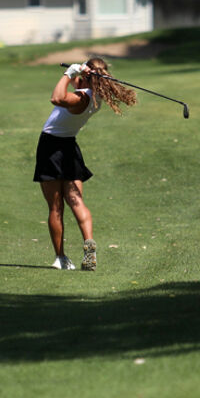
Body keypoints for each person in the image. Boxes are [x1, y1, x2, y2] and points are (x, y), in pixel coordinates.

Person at [33, 57, 136, 270]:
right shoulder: (96, 97)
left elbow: (56, 98)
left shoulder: (79, 99)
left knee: (56, 207)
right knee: (76, 201)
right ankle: (88, 242)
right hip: (70, 148)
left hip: (51, 148)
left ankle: (61, 258)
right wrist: (80, 72)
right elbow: (80, 86)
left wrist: (68, 73)